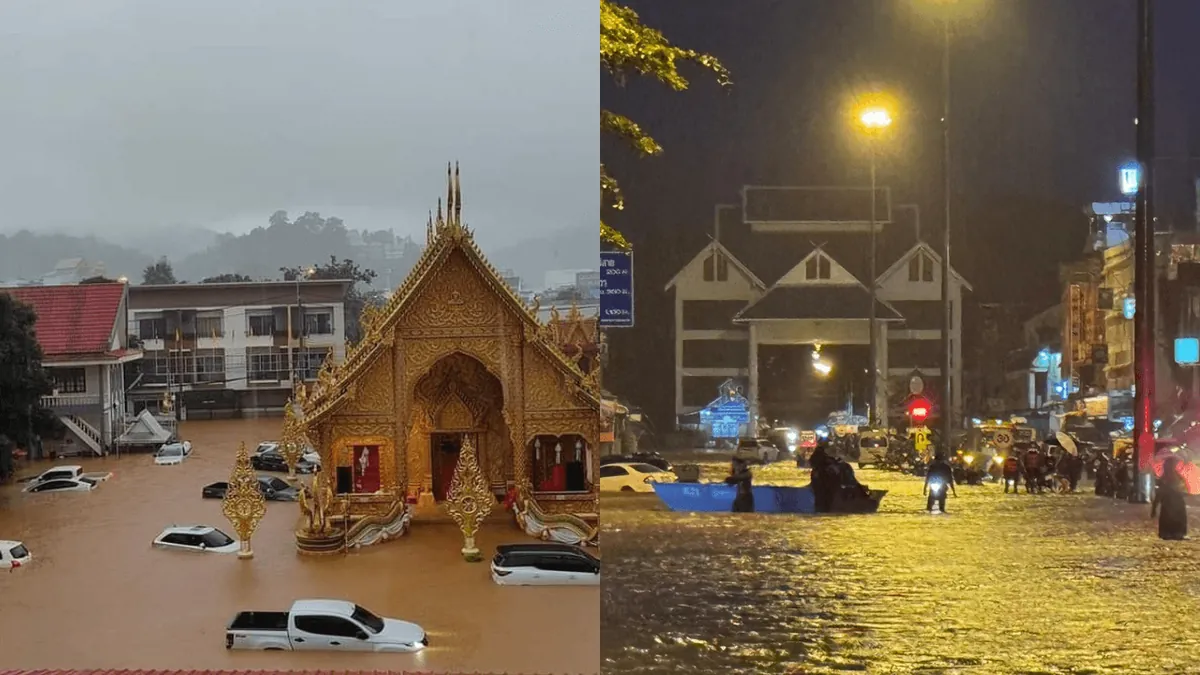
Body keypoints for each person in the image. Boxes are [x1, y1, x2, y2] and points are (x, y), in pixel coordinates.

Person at [1150, 456, 1188, 540]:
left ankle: (1170, 533)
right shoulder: (1170, 477)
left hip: (1171, 502)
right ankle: (1176, 533)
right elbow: (1161, 492)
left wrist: (1154, 508)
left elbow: (1159, 493)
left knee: (1171, 516)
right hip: (1173, 501)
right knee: (1173, 516)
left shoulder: (1167, 477)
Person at [809, 441, 833, 513]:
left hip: (819, 478)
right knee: (822, 494)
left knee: (819, 495)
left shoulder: (818, 454)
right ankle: (823, 508)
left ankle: (820, 508)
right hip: (821, 478)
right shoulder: (821, 455)